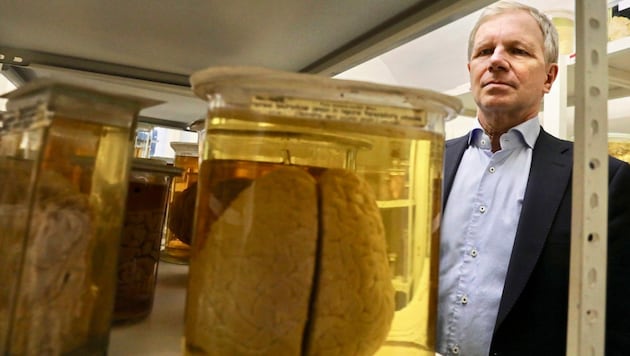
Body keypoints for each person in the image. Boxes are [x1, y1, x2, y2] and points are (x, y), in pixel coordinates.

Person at [437, 1, 630, 355]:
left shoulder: (601, 180)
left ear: (549, 78)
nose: (496, 60)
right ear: (471, 70)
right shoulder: (428, 164)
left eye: (517, 50)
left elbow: (616, 325)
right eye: (484, 51)